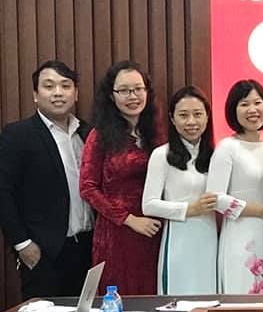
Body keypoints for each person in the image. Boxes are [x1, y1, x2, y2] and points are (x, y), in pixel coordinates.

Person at [0, 61, 94, 299]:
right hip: (44, 251)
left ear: (76, 93)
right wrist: (22, 244)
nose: (58, 93)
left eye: (65, 86)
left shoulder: (88, 133)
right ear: (35, 94)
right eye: (49, 86)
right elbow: (3, 192)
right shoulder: (18, 135)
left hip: (88, 247)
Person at [79, 60, 162, 294]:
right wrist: (129, 219)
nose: (132, 96)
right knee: (121, 297)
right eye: (124, 90)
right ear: (111, 96)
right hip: (117, 233)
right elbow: (87, 188)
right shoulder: (100, 136)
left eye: (138, 89)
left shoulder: (157, 132)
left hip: (155, 229)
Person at [207, 79, 263, 295]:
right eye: (244, 104)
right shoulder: (227, 148)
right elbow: (214, 198)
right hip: (242, 235)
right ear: (233, 110)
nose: (252, 110)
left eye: (257, 103)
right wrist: (262, 211)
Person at [142, 86, 218, 295]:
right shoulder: (162, 155)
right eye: (183, 115)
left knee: (210, 297)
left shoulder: (217, 155)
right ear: (172, 119)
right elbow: (148, 205)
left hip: (211, 238)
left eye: (198, 114)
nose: (191, 122)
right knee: (179, 298)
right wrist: (190, 209)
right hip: (178, 239)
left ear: (207, 117)